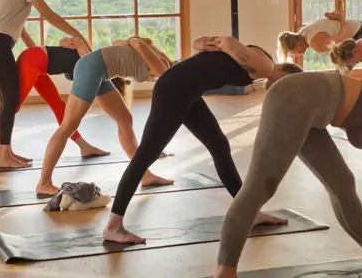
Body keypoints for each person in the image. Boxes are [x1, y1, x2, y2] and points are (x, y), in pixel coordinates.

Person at [209, 71, 362, 277]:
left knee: (342, 183)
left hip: (312, 113)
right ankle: (225, 271)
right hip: (299, 98)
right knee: (261, 186)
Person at [102, 36, 304, 244]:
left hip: (187, 90)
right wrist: (217, 43)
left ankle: (250, 213)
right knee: (146, 155)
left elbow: (206, 44)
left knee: (219, 146)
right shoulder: (265, 66)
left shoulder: (262, 62)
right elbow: (227, 41)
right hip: (175, 89)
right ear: (288, 78)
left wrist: (199, 44)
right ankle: (113, 227)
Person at [0, 0, 84, 169]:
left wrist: (34, 49)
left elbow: (19, 26)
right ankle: (2, 155)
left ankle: (2, 153)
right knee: (11, 100)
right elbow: (48, 14)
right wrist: (76, 34)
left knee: (8, 101)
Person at [35, 37, 175, 195]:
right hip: (92, 68)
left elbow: (118, 43)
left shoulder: (155, 62)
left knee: (125, 120)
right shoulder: (163, 69)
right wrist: (135, 41)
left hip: (98, 71)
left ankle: (144, 175)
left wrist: (133, 42)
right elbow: (137, 43)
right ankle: (44, 183)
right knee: (68, 126)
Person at [0, 36, 122, 159]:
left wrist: (68, 42)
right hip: (33, 59)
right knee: (12, 106)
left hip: (39, 64)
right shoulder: (92, 61)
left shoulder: (90, 65)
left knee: (58, 105)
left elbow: (63, 42)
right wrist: (73, 41)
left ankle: (84, 147)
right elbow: (73, 42)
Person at [277, 11, 362, 74]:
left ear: (297, 44)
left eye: (294, 52)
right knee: (341, 72)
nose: (296, 55)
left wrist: (341, 19)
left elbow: (346, 37)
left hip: (357, 32)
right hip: (359, 26)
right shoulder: (303, 32)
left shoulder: (317, 44)